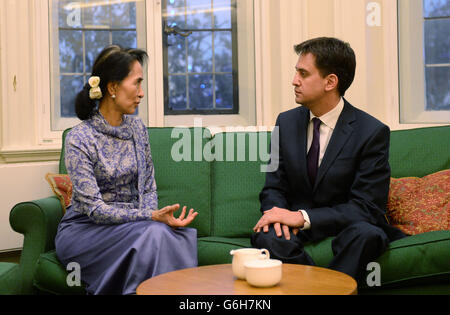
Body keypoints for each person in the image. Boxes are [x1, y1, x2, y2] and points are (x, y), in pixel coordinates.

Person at [251, 37, 405, 284]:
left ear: (330, 82)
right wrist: (276, 214)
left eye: (303, 73)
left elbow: (366, 207)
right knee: (266, 236)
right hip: (293, 229)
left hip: (349, 225)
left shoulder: (371, 132)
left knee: (368, 235)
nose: (294, 81)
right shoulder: (286, 122)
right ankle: (325, 288)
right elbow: (273, 186)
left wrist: (302, 217)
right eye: (296, 72)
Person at [55, 45, 198, 295]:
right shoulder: (79, 138)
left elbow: (148, 187)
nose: (141, 94)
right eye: (137, 83)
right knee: (155, 234)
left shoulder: (137, 129)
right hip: (86, 231)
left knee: (164, 234)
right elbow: (95, 211)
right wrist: (150, 218)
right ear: (112, 88)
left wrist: (155, 219)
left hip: (135, 227)